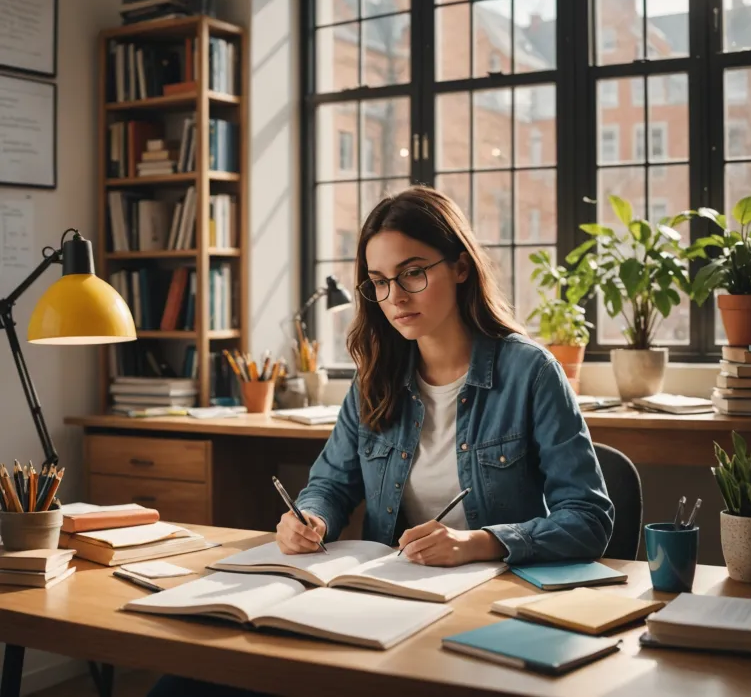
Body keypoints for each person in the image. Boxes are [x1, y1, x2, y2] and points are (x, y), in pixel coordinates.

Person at [148, 186, 613, 696]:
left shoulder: (531, 372)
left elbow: (588, 518)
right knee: (194, 677)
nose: (396, 297)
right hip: (383, 600)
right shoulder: (375, 377)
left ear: (460, 267)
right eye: (379, 282)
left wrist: (478, 543)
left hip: (487, 610)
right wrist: (310, 518)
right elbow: (330, 484)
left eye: (413, 273)